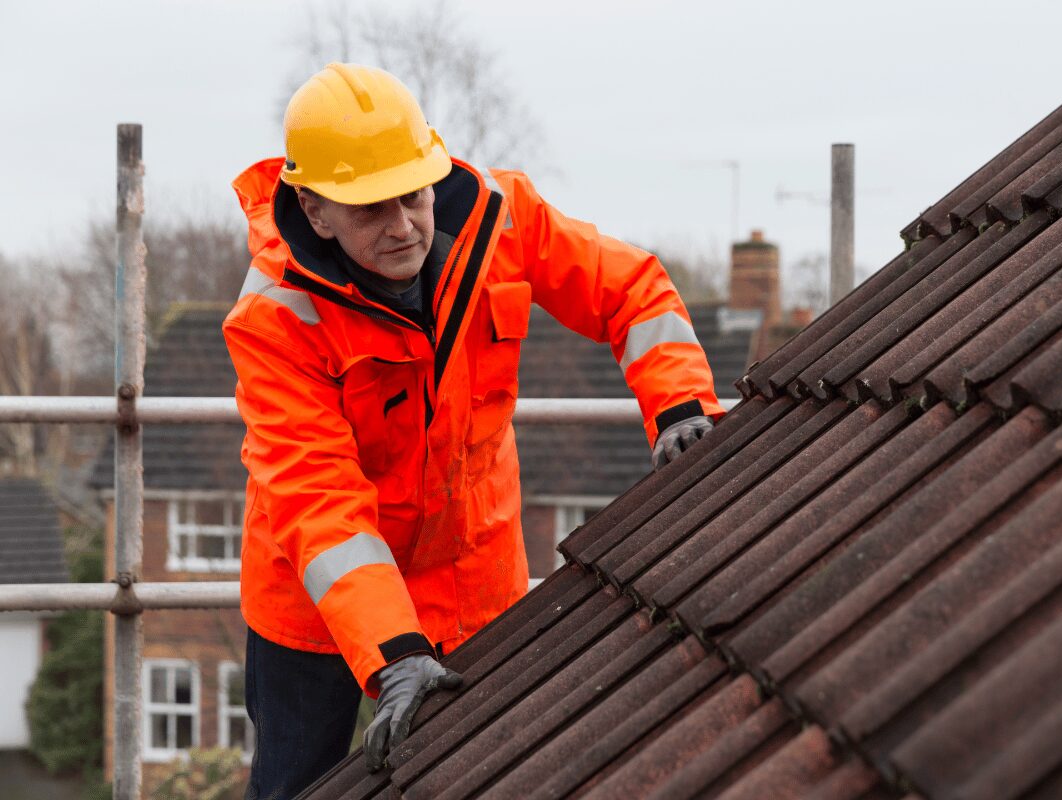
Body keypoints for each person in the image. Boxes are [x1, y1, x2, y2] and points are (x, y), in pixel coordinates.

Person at [223, 62, 724, 798]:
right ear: (315, 209)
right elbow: (318, 500)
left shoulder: (502, 218)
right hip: (319, 611)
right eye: (370, 210)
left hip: (472, 585)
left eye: (412, 196)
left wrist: (681, 407)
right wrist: (393, 651)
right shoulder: (275, 319)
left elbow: (631, 288)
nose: (402, 227)